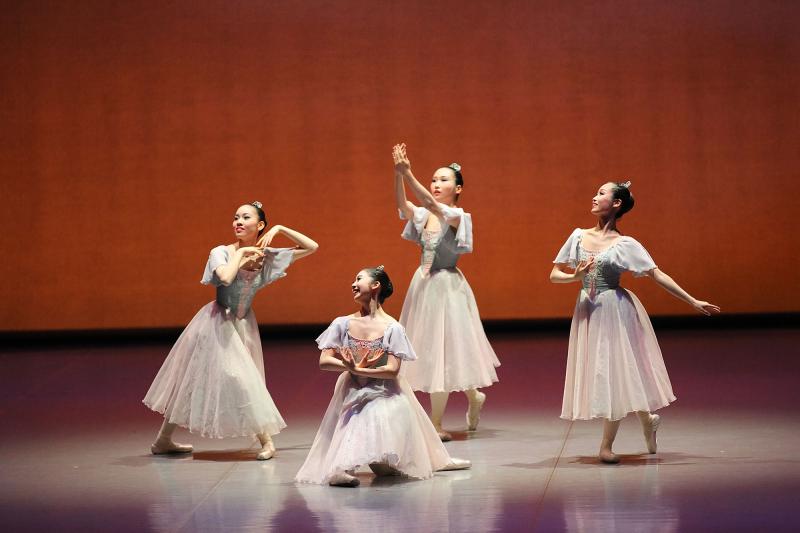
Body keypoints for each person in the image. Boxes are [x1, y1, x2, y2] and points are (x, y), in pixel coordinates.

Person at [550, 181, 720, 463]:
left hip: (614, 311)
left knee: (613, 371)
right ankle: (648, 419)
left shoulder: (625, 244)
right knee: (615, 371)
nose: (594, 197)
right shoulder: (578, 236)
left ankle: (606, 445)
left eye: (601, 193)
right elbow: (554, 274)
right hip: (587, 310)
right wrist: (574, 277)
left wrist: (691, 300)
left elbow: (657, 274)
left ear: (616, 203)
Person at [143, 201, 318, 460]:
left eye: (245, 217)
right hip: (217, 323)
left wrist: (280, 228)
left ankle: (162, 440)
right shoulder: (221, 252)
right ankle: (266, 441)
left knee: (246, 378)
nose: (238, 222)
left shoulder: (266, 257)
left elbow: (311, 247)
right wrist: (242, 252)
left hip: (243, 324)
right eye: (236, 217)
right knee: (218, 379)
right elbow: (225, 278)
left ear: (260, 225)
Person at [295, 266, 471, 487]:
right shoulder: (343, 323)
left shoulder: (392, 327)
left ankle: (402, 461)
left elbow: (392, 370)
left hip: (384, 391)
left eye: (359, 279)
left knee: (385, 469)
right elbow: (324, 361)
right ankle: (341, 469)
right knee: (357, 409)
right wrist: (350, 367)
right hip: (354, 389)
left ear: (375, 285)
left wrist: (358, 369)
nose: (353, 284)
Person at [392, 143, 500, 441]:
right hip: (424, 286)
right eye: (434, 179)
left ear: (458, 188)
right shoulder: (423, 215)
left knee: (446, 350)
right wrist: (398, 175)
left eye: (444, 180)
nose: (436, 184)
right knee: (432, 350)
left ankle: (436, 423)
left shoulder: (457, 215)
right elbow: (404, 205)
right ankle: (474, 396)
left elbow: (429, 202)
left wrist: (408, 173)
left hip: (448, 288)